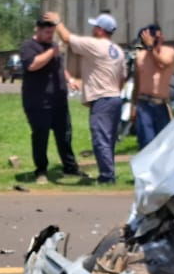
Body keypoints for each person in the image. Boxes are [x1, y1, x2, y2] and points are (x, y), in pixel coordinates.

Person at [50, 12, 128, 184]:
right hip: (115, 97)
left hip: (102, 98)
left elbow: (67, 38)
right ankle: (109, 172)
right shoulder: (117, 50)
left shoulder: (95, 45)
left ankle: (107, 177)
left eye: (95, 27)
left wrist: (57, 21)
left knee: (100, 138)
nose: (92, 29)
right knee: (108, 139)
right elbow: (122, 78)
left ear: (100, 30)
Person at [19, 14, 81, 184]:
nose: (50, 36)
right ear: (37, 30)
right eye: (47, 32)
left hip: (59, 100)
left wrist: (70, 80)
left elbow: (60, 66)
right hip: (39, 101)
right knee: (41, 136)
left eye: (52, 33)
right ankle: (41, 171)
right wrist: (52, 52)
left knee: (65, 135)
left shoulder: (53, 45)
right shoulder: (28, 46)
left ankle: (70, 168)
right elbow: (32, 64)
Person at [132, 22, 174, 147]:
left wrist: (152, 48)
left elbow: (163, 64)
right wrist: (133, 107)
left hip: (161, 104)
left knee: (164, 144)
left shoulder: (169, 51)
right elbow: (137, 84)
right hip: (144, 104)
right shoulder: (140, 57)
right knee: (147, 142)